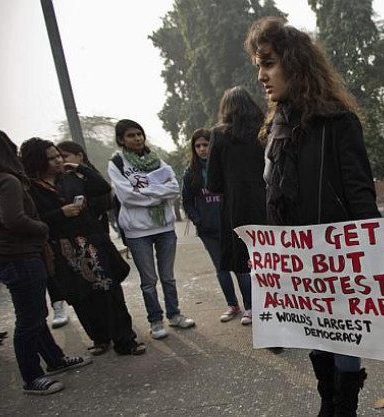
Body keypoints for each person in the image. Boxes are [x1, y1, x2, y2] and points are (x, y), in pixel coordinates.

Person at [245, 17, 384, 416]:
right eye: (258, 66)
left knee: (345, 337)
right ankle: (327, 398)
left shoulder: (339, 123)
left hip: (339, 261)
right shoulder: (274, 128)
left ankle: (346, 404)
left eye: (268, 64)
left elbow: (359, 196)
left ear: (295, 62)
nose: (262, 77)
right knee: (315, 334)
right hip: (300, 264)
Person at [0, 127, 92, 395]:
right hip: (19, 255)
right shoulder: (6, 180)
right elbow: (13, 219)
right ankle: (32, 376)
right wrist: (43, 227)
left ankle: (54, 358)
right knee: (30, 318)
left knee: (33, 314)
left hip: (0, 254)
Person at [20, 138, 145, 356]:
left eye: (58, 155)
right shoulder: (30, 190)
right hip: (63, 250)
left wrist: (81, 167)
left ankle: (125, 340)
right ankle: (99, 338)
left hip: (93, 243)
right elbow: (30, 219)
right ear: (37, 161)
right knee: (81, 297)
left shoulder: (72, 179)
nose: (58, 161)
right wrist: (60, 214)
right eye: (51, 158)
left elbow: (102, 187)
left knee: (110, 292)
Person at [107, 119, 196, 339]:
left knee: (168, 277)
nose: (137, 138)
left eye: (139, 134)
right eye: (130, 135)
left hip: (164, 227)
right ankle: (155, 320)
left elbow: (174, 188)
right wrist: (157, 191)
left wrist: (145, 189)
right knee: (149, 281)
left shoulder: (157, 160)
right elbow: (127, 196)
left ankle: (174, 315)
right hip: (137, 231)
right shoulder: (118, 163)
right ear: (121, 139)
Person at [205, 87, 267, 327]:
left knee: (244, 262)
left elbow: (213, 183)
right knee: (273, 257)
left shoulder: (219, 135)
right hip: (268, 205)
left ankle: (253, 308)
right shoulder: (266, 131)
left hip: (236, 209)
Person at [184, 128, 246, 324]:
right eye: (198, 146)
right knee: (221, 268)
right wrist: (197, 219)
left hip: (232, 227)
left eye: (206, 145)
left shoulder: (227, 167)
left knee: (241, 268)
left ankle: (251, 307)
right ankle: (232, 305)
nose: (203, 149)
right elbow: (187, 201)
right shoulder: (190, 173)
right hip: (208, 230)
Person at [57, 141, 112, 234]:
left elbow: (104, 194)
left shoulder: (92, 176)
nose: (62, 161)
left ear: (80, 156)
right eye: (59, 157)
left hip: (99, 227)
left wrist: (80, 168)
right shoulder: (64, 179)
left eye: (65, 156)